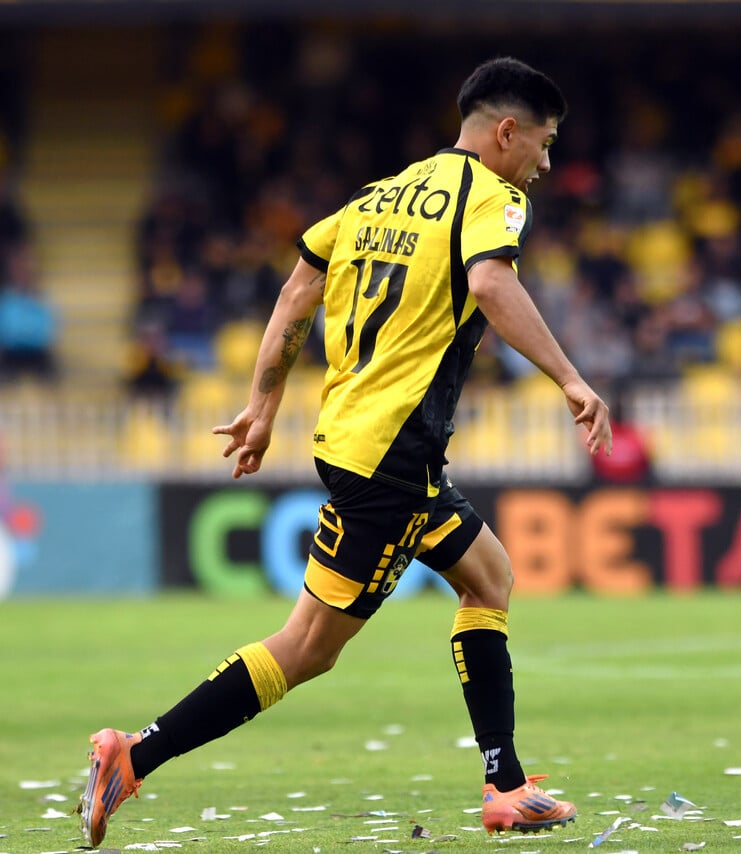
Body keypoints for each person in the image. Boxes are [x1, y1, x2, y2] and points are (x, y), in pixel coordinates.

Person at [77, 57, 612, 848]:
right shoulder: (492, 198)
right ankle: (134, 755)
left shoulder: (376, 197)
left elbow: (298, 288)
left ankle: (506, 785)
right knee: (306, 649)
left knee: (489, 576)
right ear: (507, 132)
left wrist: (263, 408)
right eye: (545, 143)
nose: (546, 162)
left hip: (360, 441)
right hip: (393, 455)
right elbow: (491, 285)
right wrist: (570, 378)